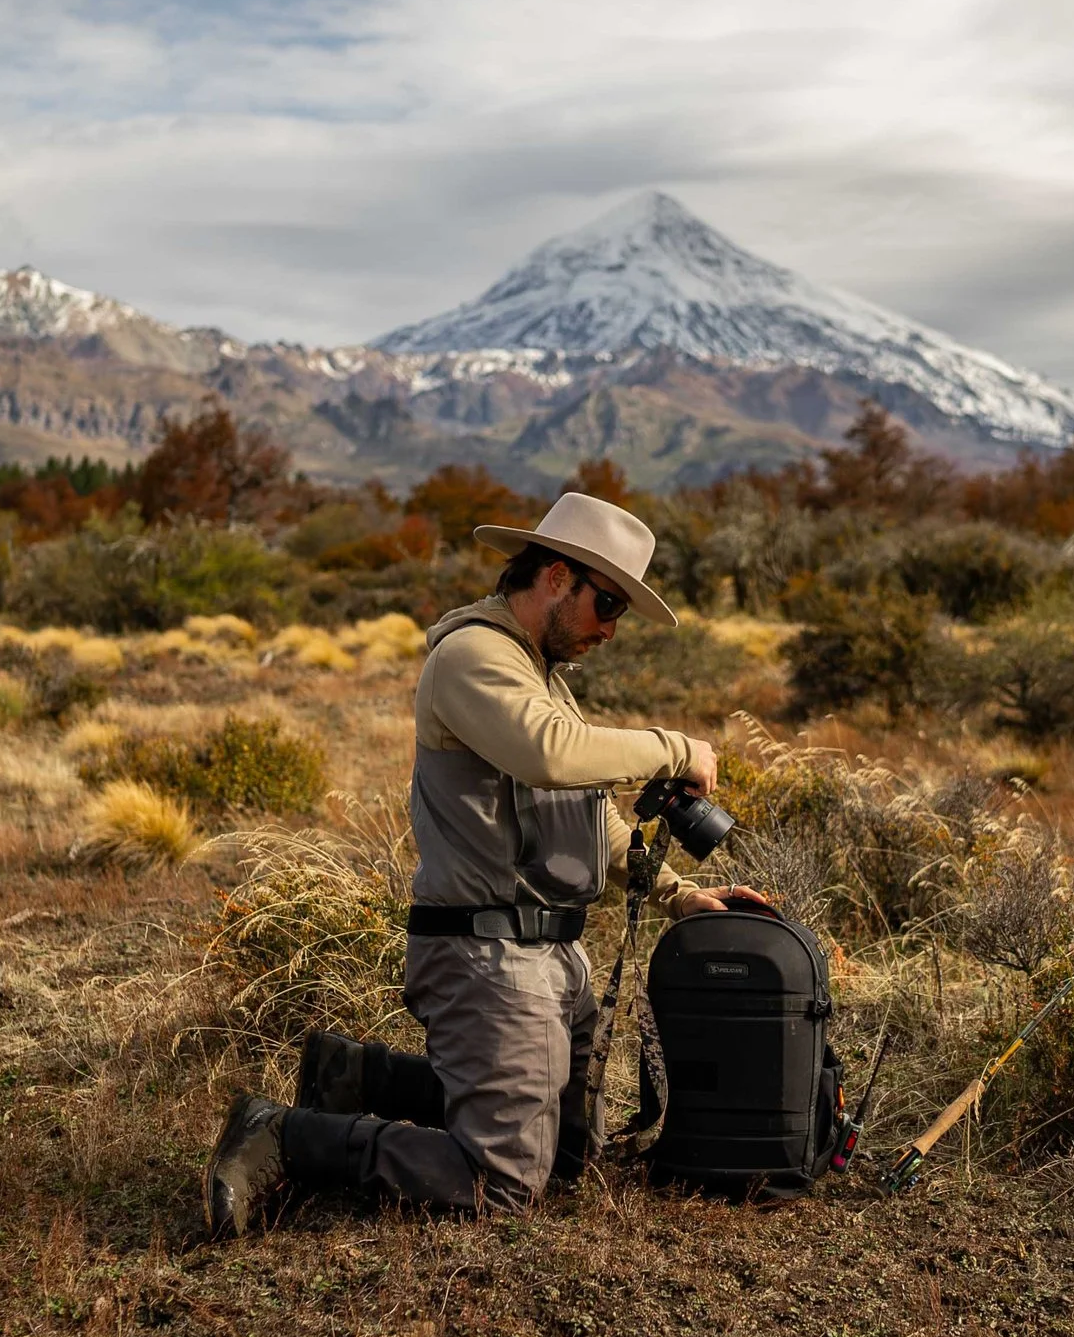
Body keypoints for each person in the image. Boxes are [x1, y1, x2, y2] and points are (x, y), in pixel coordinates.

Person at [202, 492, 767, 1237]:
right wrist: (674, 748)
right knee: (504, 1182)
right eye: (606, 603)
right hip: (487, 951)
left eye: (620, 612)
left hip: (551, 955)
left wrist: (677, 894)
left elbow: (584, 816)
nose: (610, 628)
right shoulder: (472, 656)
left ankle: (355, 1077)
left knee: (573, 1154)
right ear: (557, 576)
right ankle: (282, 1135)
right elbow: (551, 753)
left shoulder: (540, 675)